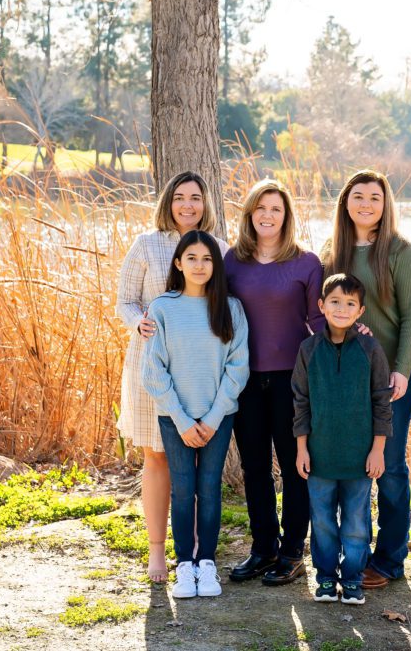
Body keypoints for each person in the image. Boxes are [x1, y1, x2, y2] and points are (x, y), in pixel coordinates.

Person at [116, 171, 228, 583]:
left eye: (195, 197)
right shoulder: (147, 244)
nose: (187, 205)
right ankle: (157, 552)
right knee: (158, 455)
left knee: (198, 463)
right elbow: (124, 300)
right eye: (179, 197)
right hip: (153, 366)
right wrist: (138, 323)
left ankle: (197, 551)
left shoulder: (219, 247)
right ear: (168, 202)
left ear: (205, 203)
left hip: (201, 371)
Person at [320, 169, 411, 589]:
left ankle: (389, 560)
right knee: (349, 463)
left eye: (375, 197)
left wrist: (402, 369)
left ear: (386, 205)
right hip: (345, 379)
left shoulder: (403, 254)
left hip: (392, 379)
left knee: (392, 467)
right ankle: (350, 555)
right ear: (346, 202)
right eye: (358, 196)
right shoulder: (333, 252)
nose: (366, 204)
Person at [225, 178, 324, 586]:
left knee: (294, 465)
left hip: (292, 381)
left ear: (286, 216)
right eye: (261, 208)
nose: (268, 215)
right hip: (245, 379)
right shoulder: (232, 261)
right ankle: (263, 548)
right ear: (250, 214)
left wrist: (355, 341)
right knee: (254, 467)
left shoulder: (306, 263)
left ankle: (291, 551)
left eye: (276, 209)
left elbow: (319, 322)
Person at [142, 230, 249, 599]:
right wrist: (184, 420)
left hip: (217, 417)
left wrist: (214, 416)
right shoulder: (162, 308)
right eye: (191, 258)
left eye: (207, 259)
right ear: (178, 263)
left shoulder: (230, 308)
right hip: (175, 418)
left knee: (209, 488)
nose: (199, 265)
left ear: (215, 265)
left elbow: (238, 367)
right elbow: (153, 371)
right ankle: (184, 565)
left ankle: (207, 562)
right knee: (183, 489)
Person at [292, 274, 392, 606]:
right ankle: (324, 578)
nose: (341, 308)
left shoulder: (369, 348)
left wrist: (378, 450)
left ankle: (351, 579)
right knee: (321, 522)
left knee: (355, 523)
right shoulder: (308, 350)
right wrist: (301, 448)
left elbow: (381, 399)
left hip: (359, 458)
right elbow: (301, 402)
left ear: (360, 310)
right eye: (334, 301)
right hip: (319, 457)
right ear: (321, 306)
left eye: (350, 303)